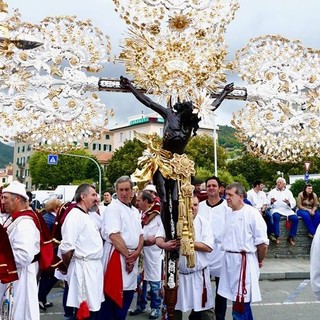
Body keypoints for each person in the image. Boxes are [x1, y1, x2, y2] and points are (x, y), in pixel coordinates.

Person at [120, 76, 233, 240]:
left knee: (176, 200)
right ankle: (168, 234)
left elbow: (211, 107)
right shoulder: (169, 115)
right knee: (164, 200)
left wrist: (224, 92)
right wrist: (130, 86)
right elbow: (148, 102)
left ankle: (177, 234)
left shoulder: (190, 122)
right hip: (162, 162)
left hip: (178, 165)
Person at [218, 183, 269, 320]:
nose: (226, 198)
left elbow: (263, 243)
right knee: (239, 303)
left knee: (240, 306)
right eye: (225, 195)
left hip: (244, 263)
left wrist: (259, 260)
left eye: (230, 195)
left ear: (240, 196)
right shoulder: (228, 213)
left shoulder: (252, 214)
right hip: (229, 262)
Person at [98, 176, 144, 320]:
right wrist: (129, 256)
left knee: (128, 294)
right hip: (117, 256)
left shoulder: (135, 211)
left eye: (127, 190)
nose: (124, 193)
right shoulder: (113, 208)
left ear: (132, 191)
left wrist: (137, 253)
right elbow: (114, 236)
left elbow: (141, 235)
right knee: (112, 299)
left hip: (131, 257)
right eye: (121, 190)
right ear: (116, 191)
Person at [59, 184, 104, 319]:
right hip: (84, 269)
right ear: (83, 197)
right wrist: (65, 267)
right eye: (93, 195)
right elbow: (67, 247)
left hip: (93, 267)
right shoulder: (74, 216)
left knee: (94, 308)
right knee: (86, 311)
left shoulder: (86, 215)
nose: (96, 198)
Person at [1, 181, 41, 320]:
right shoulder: (13, 220)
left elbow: (24, 256)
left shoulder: (25, 223)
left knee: (18, 313)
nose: (2, 201)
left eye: (5, 197)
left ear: (17, 198)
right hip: (13, 276)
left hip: (20, 278)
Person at [174, 195, 214, 320]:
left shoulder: (204, 222)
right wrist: (164, 244)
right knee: (174, 310)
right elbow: (160, 239)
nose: (192, 207)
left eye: (195, 205)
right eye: (189, 204)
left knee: (206, 311)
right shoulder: (175, 222)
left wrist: (186, 242)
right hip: (178, 275)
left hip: (199, 275)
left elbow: (208, 247)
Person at [198, 176, 230, 320]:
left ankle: (219, 317)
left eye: (214, 185)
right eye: (208, 185)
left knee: (221, 291)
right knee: (200, 288)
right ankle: (198, 315)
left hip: (220, 253)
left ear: (219, 188)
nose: (211, 188)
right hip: (202, 252)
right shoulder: (200, 206)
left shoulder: (226, 208)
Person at [130, 191, 163, 319]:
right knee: (140, 282)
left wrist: (155, 238)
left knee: (154, 283)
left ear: (146, 201)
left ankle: (156, 307)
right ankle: (141, 305)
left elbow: (163, 231)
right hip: (141, 252)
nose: (137, 202)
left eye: (139, 200)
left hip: (154, 252)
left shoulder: (157, 214)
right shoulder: (139, 214)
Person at [38, 198, 62, 311]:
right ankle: (40, 297)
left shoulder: (48, 218)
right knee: (50, 276)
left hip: (50, 251)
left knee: (47, 277)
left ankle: (42, 298)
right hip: (50, 252)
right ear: (56, 208)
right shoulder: (49, 219)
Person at [267, 177, 298, 245]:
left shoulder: (288, 192)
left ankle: (291, 236)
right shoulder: (272, 192)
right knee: (275, 217)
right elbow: (267, 202)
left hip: (287, 210)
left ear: (284, 184)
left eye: (280, 182)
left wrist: (288, 203)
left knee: (295, 218)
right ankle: (277, 236)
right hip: (276, 209)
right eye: (277, 182)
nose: (278, 184)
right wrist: (271, 202)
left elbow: (293, 202)